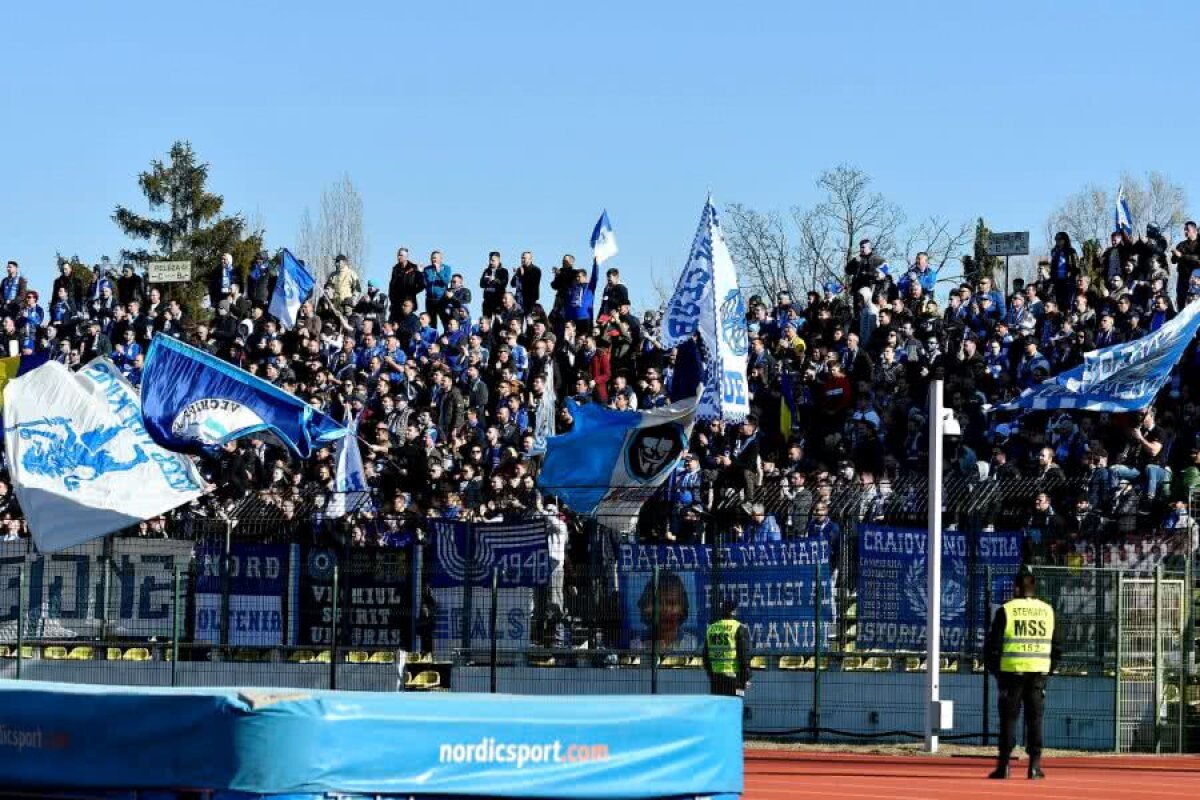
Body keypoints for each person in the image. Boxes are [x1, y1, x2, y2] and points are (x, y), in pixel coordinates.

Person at [984, 564, 1062, 780]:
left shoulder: (1006, 610)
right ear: (1034, 588)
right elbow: (1057, 647)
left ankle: (1004, 766)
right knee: (1035, 720)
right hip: (1038, 675)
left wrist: (997, 673)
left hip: (1011, 675)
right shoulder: (1047, 611)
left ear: (1016, 588)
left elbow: (992, 647)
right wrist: (1048, 672)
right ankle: (1035, 766)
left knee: (1009, 720)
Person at [702, 599, 752, 699]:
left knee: (719, 708)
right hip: (735, 679)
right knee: (736, 705)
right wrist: (745, 679)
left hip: (716, 679)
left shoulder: (711, 628)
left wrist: (711, 675)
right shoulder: (739, 628)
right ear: (733, 611)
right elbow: (744, 656)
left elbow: (705, 657)